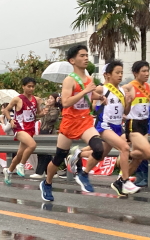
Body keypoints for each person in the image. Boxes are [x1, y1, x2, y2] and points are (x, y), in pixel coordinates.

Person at [40, 45, 105, 202]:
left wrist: (99, 96)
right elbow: (67, 102)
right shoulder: (69, 80)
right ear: (72, 60)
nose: (86, 58)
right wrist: (85, 91)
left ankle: (83, 174)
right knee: (58, 157)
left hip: (85, 121)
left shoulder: (89, 79)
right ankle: (47, 183)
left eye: (86, 55)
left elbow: (89, 94)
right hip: (70, 123)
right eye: (82, 55)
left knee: (99, 148)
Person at [93, 60, 140, 195]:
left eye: (121, 73)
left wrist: (129, 102)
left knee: (100, 155)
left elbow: (125, 111)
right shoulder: (102, 88)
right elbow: (88, 95)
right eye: (117, 73)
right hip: (104, 125)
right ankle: (124, 182)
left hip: (117, 126)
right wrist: (97, 98)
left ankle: (77, 156)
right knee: (124, 148)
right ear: (108, 74)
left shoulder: (122, 91)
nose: (120, 75)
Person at [122, 61, 150, 179]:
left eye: (148, 71)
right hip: (133, 123)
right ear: (135, 73)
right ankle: (123, 156)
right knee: (147, 153)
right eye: (143, 71)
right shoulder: (130, 86)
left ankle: (122, 180)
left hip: (144, 124)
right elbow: (116, 92)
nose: (147, 74)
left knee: (139, 158)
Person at [2, 77, 43, 184]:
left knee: (20, 154)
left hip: (30, 129)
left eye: (33, 86)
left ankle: (9, 171)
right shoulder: (17, 99)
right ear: (23, 86)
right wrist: (10, 120)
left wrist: (45, 111)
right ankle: (21, 165)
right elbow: (6, 110)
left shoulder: (36, 99)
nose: (31, 89)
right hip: (19, 128)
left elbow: (39, 113)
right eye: (28, 86)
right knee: (32, 145)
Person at [30, 93, 60, 179]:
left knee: (43, 152)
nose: (49, 100)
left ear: (55, 100)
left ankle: (39, 172)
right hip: (42, 130)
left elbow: (49, 119)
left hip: (49, 132)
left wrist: (46, 110)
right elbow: (39, 115)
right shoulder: (46, 109)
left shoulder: (55, 110)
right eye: (49, 98)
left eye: (51, 98)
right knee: (45, 153)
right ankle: (52, 172)